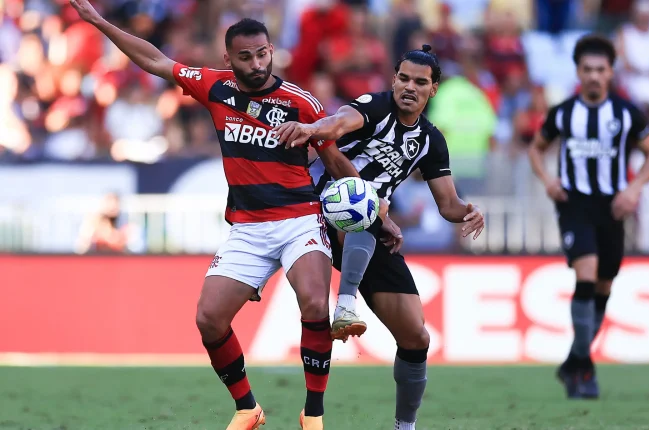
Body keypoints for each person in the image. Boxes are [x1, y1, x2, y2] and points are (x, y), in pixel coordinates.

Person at [68, 2, 400, 429]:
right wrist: (100, 22)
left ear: (271, 50)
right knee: (209, 319)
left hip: (300, 218)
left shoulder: (301, 103)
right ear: (229, 59)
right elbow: (156, 59)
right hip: (247, 227)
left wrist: (376, 213)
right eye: (246, 57)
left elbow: (336, 163)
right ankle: (248, 408)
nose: (257, 63)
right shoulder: (215, 87)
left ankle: (312, 415)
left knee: (315, 302)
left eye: (263, 54)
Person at [274, 44, 485, 430]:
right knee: (361, 200)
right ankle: (345, 304)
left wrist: (468, 210)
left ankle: (405, 426)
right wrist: (309, 129)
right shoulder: (375, 105)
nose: (409, 87)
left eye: (419, 82)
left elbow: (448, 204)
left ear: (433, 89)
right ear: (393, 79)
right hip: (325, 207)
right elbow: (337, 123)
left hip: (372, 230)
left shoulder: (430, 140)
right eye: (403, 78)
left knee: (416, 337)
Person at [527, 34, 649, 399]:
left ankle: (573, 361)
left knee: (604, 285)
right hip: (575, 204)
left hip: (613, 205)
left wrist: (633, 190)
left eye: (601, 70)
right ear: (578, 72)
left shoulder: (626, 113)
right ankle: (584, 369)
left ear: (611, 72)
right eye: (587, 70)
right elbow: (536, 149)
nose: (594, 76)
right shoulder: (563, 113)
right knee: (586, 276)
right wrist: (548, 180)